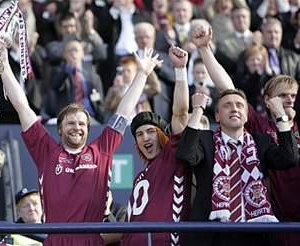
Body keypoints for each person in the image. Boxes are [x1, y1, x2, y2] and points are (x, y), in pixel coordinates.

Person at [0, 39, 163, 245]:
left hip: (92, 241)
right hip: (56, 241)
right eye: (71, 123)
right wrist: (3, 61)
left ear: (88, 128)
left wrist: (142, 73)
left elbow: (124, 110)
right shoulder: (46, 151)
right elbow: (22, 105)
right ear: (60, 129)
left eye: (81, 124)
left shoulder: (102, 149)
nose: (77, 127)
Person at [190, 19, 300, 246]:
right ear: (268, 101)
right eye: (282, 95)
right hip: (276, 221)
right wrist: (204, 49)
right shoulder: (259, 127)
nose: (289, 99)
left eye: (293, 95)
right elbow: (226, 88)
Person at [175, 90, 299, 246]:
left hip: (254, 235)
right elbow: (185, 155)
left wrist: (281, 116)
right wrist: (198, 109)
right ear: (218, 116)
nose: (234, 109)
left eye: (239, 105)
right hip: (211, 235)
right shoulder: (205, 140)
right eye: (227, 105)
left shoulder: (262, 143)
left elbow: (290, 158)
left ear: (246, 116)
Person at [120, 46, 191, 245]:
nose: (145, 138)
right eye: (139, 135)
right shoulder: (139, 177)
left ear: (162, 134)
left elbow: (180, 113)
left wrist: (180, 70)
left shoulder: (172, 155)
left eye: (151, 131)